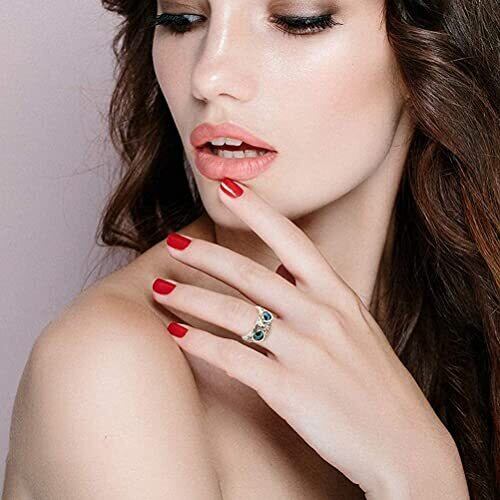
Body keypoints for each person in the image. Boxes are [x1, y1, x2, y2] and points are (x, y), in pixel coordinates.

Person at [3, 0, 498, 498]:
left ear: (430, 43)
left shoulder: (474, 323)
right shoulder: (107, 367)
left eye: (297, 20)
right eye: (182, 19)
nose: (208, 76)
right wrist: (424, 477)